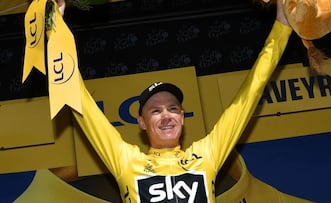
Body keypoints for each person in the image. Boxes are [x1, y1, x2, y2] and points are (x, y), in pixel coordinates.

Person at [60, 0, 293, 202]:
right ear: (141, 122)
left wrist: (282, 26)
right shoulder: (127, 161)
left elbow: (250, 94)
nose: (166, 116)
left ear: (182, 117)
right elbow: (82, 104)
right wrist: (56, 30)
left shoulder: (206, 155)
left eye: (173, 109)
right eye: (155, 111)